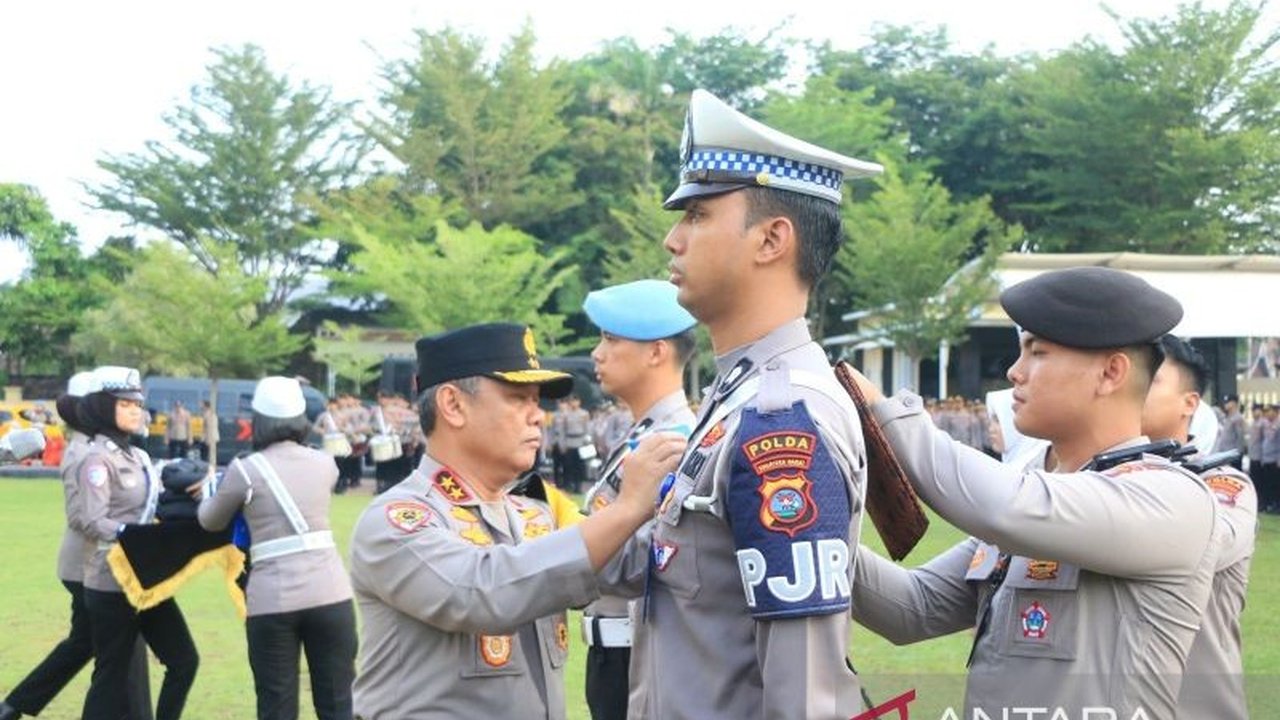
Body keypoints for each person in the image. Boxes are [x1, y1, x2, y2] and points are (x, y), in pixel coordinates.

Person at [844, 267, 1222, 718]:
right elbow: (912, 607)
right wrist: (810, 525)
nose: (1014, 373)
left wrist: (881, 411)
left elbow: (1006, 509)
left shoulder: (1170, 498)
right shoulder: (1040, 497)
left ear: (1111, 372)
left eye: (1037, 352)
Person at [619, 88, 881, 720]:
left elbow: (805, 695)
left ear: (771, 240)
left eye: (699, 215)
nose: (671, 239)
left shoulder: (783, 419)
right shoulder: (735, 398)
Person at [348, 323, 683, 720]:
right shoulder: (397, 521)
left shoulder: (534, 513)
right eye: (518, 398)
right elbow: (481, 591)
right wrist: (627, 508)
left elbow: (626, 567)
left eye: (537, 400)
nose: (538, 416)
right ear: (453, 405)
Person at [198, 376, 356, 720]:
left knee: (277, 705)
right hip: (331, 595)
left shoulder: (245, 470)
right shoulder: (325, 463)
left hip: (273, 599)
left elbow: (210, 520)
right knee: (338, 703)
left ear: (259, 419)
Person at [0, 373, 152, 720]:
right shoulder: (89, 451)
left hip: (92, 563)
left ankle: (15, 705)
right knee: (116, 649)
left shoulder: (95, 445)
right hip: (91, 564)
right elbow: (85, 517)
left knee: (88, 644)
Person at [579, 279, 697, 720]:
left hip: (638, 658)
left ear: (656, 352)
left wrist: (563, 543)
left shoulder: (674, 443)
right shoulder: (643, 434)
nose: (597, 352)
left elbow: (651, 559)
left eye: (611, 338)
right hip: (613, 653)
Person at [1140, 334, 1255, 720]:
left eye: (1152, 379)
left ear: (1189, 403)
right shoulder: (1091, 479)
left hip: (1196, 705)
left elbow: (1206, 541)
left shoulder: (1222, 484)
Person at [78, 366, 199, 720]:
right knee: (111, 676)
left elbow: (155, 505)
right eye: (126, 403)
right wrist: (134, 536)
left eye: (138, 403)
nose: (136, 410)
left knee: (184, 660)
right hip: (111, 582)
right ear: (103, 406)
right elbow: (92, 520)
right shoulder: (96, 460)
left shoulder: (140, 456)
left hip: (147, 579)